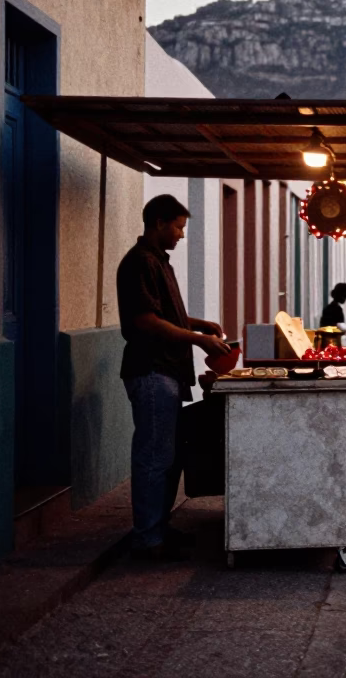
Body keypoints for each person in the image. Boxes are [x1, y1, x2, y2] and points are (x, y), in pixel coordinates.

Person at [117, 194, 230, 561]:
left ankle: (158, 528)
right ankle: (147, 539)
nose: (182, 234)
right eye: (179, 226)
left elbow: (168, 314)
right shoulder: (139, 263)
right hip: (151, 372)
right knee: (153, 457)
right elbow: (146, 320)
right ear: (159, 223)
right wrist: (198, 339)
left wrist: (200, 323)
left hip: (167, 372)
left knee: (166, 456)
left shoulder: (159, 262)